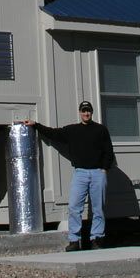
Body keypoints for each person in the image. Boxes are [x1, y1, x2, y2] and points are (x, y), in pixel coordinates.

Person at [23, 101, 115, 251]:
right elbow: (53, 133)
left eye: (88, 111)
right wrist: (36, 125)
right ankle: (74, 240)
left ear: (92, 112)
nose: (86, 113)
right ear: (80, 112)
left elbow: (109, 151)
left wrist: (104, 169)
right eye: (84, 110)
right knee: (74, 207)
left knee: (98, 209)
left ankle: (97, 239)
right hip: (80, 173)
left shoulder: (101, 130)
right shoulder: (73, 130)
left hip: (98, 173)